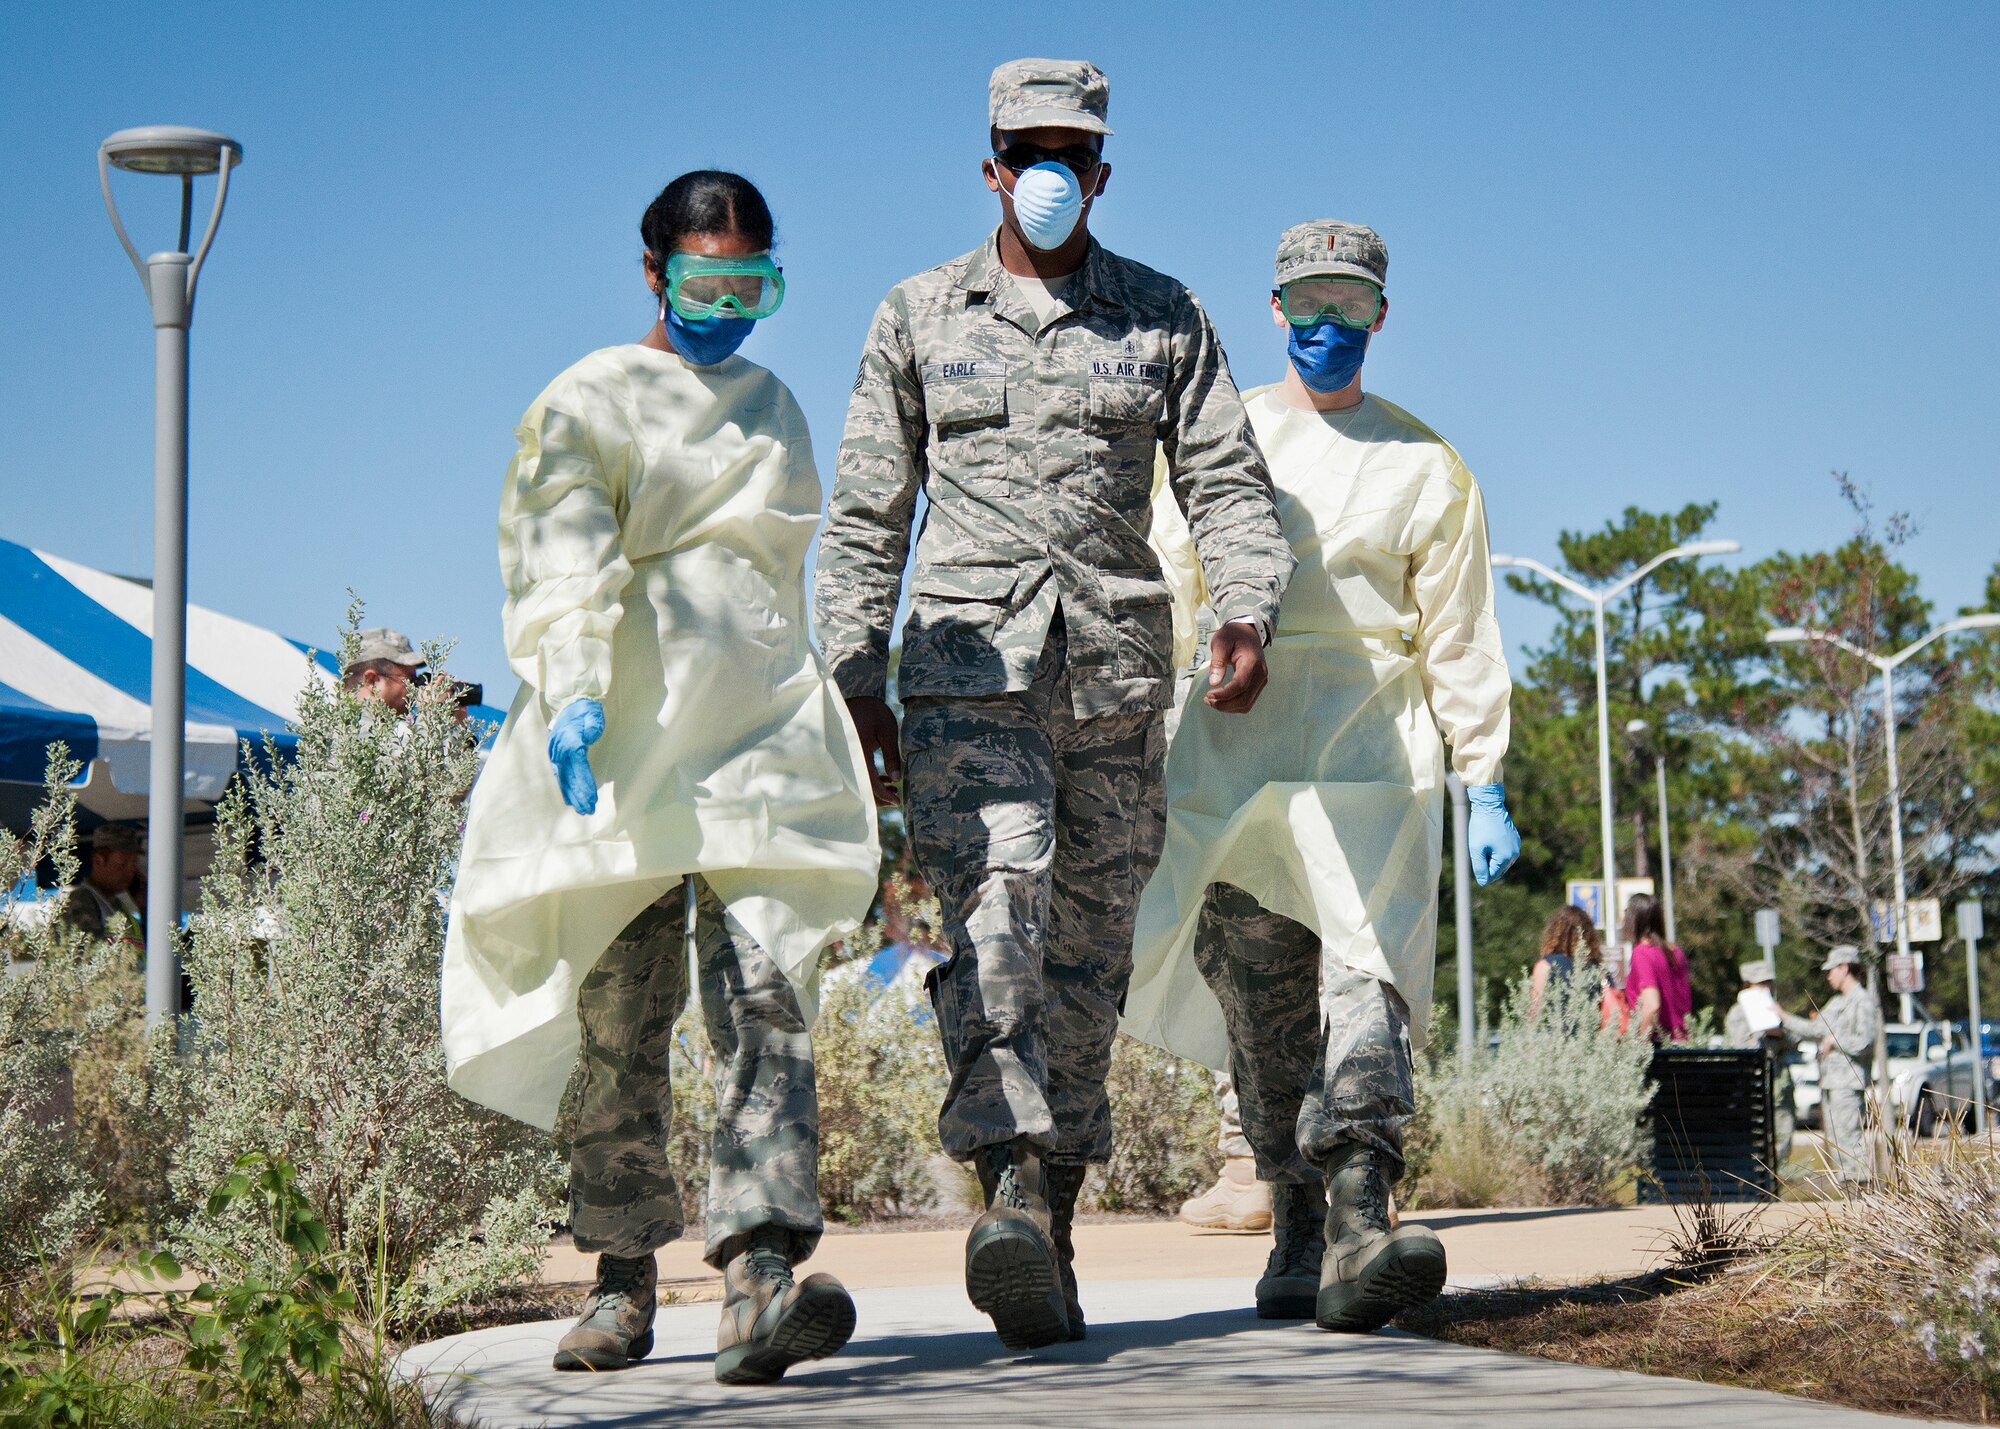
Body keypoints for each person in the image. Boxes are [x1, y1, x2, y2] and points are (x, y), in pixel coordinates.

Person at [816, 58, 1294, 1349]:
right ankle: (1010, 1178)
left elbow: (1228, 483)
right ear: (989, 165)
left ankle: (1052, 1218)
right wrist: (855, 677)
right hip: (969, 678)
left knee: (1086, 957)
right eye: (1026, 148)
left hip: (1115, 682)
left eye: (1070, 153)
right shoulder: (916, 313)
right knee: (998, 909)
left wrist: (1246, 607)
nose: (1047, 173)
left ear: (1101, 171)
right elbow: (867, 511)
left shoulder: (1163, 316)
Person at [440, 171, 881, 1384]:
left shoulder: (774, 405)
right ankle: (622, 1283)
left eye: (753, 281)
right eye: (706, 280)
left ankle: (757, 1279)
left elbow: (770, 583)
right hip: (624, 753)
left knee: (766, 1007)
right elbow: (560, 560)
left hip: (754, 750)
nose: (729, 304)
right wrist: (575, 687)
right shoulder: (587, 400)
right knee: (618, 1019)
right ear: (653, 272)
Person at [1123, 219, 1519, 1333]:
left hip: (1367, 766)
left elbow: (1458, 633)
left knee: (1364, 983)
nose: (1326, 329)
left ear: (1380, 317)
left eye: (1349, 308)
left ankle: (1359, 1209)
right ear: (1273, 311)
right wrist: (1132, 735)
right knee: (1261, 1014)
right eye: (1307, 308)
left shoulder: (1424, 467)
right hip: (1231, 764)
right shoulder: (1224, 437)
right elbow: (1165, 574)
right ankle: (1297, 1229)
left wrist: (1480, 773)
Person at [1780, 947, 1879, 1185]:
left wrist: (1835, 1041)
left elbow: (1864, 1042)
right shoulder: (1837, 1002)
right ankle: (1849, 1193)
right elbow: (1816, 1029)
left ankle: (1863, 1191)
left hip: (1848, 1082)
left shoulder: (1862, 1001)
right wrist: (1783, 1018)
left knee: (1849, 1138)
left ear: (1844, 968)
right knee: (1836, 1141)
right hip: (1832, 1082)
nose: (1828, 976)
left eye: (1831, 970)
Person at [1726, 959, 1798, 1165]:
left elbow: (1795, 1038)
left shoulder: (1774, 1008)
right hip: (1752, 1080)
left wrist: (1780, 1032)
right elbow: (1740, 1045)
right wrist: (1763, 1032)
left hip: (1778, 1078)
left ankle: (1778, 1171)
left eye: (1769, 982)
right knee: (1756, 1128)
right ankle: (1757, 1171)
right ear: (1748, 985)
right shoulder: (1738, 1013)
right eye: (1762, 983)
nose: (1768, 987)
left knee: (1783, 1125)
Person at [61, 823, 144, 953]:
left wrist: (144, 907)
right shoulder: (82, 901)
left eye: (134, 864)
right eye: (123, 863)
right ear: (99, 861)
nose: (131, 871)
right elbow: (85, 958)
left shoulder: (117, 906)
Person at [1622, 894, 1690, 1041]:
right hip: (1683, 1042)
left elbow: (1652, 1005)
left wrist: (1637, 1043)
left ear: (1633, 918)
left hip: (1659, 1046)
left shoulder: (1642, 953)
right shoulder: (1676, 952)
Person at [1530, 904, 1602, 1015]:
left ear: (1554, 932)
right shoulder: (1598, 967)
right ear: (1589, 934)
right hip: (1591, 1030)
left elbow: (1534, 1012)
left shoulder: (1545, 966)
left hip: (1556, 1031)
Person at [341, 627, 426, 714]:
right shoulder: (357, 725)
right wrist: (429, 711)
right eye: (411, 681)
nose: (419, 687)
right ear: (372, 681)